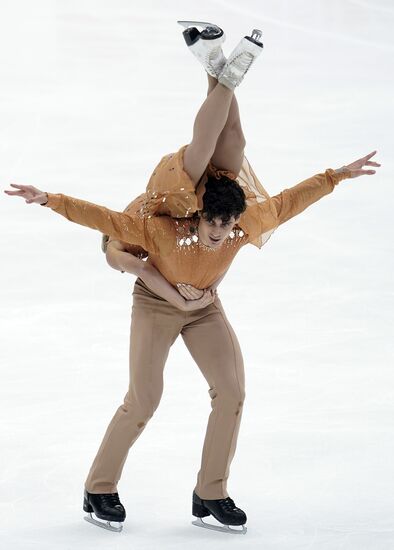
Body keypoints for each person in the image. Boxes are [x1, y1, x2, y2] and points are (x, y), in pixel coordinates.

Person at [4, 21, 380, 535]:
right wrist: (49, 200)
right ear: (198, 215)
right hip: (155, 306)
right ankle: (99, 487)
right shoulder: (161, 224)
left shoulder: (239, 227)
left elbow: (289, 202)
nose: (220, 237)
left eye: (228, 230)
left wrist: (337, 175)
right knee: (144, 400)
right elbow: (104, 220)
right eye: (213, 227)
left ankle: (211, 494)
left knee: (231, 391)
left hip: (203, 307)